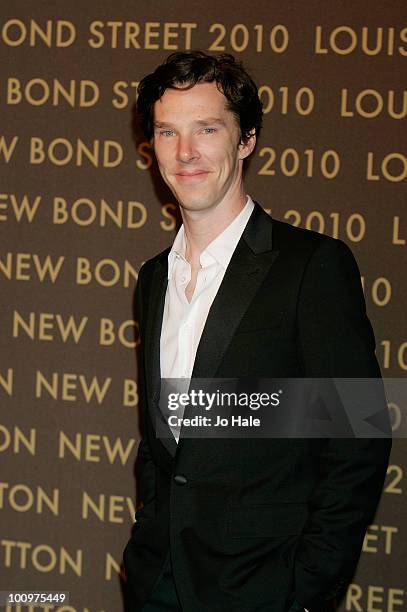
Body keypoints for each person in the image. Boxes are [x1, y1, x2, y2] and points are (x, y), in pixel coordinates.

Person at [123, 51, 391, 612]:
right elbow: (163, 440)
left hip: (262, 589)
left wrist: (306, 589)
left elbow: (358, 439)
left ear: (246, 140)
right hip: (157, 580)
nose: (185, 152)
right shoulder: (152, 277)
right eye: (167, 131)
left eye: (207, 129)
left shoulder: (310, 266)